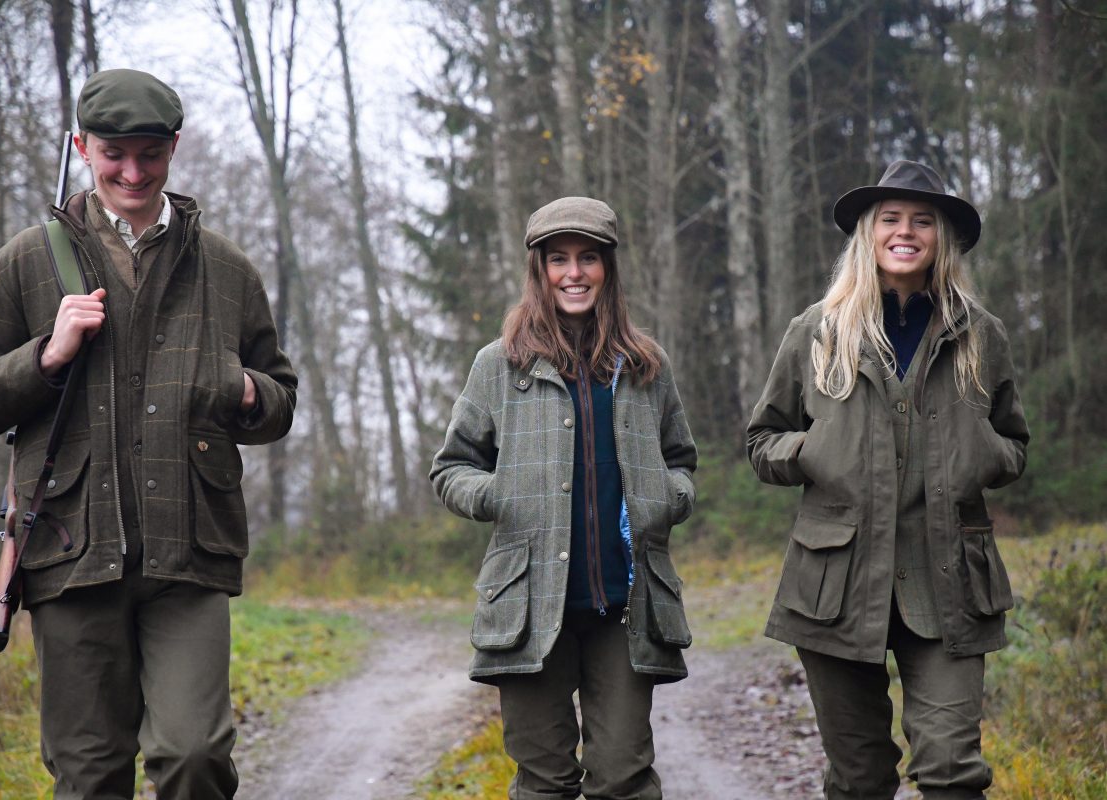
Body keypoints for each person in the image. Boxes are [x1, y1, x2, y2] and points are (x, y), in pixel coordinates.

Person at [0, 68, 296, 799]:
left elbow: (281, 397)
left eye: (150, 154)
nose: (132, 172)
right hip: (70, 553)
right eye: (113, 154)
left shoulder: (225, 270)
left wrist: (248, 389)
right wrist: (44, 356)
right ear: (82, 147)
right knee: (89, 773)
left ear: (173, 148)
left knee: (194, 756)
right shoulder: (23, 263)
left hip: (188, 554)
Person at [747, 160, 1029, 799]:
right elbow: (761, 443)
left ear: (941, 239)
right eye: (892, 219)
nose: (906, 232)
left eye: (922, 221)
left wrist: (980, 452)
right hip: (836, 586)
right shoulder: (816, 332)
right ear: (869, 233)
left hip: (950, 578)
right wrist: (817, 450)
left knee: (953, 771)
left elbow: (1014, 445)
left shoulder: (981, 336)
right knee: (860, 777)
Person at [430, 197, 697, 800]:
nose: (574, 273)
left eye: (588, 258)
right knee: (544, 780)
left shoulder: (646, 366)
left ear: (608, 268)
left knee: (625, 776)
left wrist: (665, 499)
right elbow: (451, 468)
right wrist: (497, 493)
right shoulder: (499, 366)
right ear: (539, 270)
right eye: (558, 259)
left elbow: (681, 461)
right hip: (527, 609)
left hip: (624, 609)